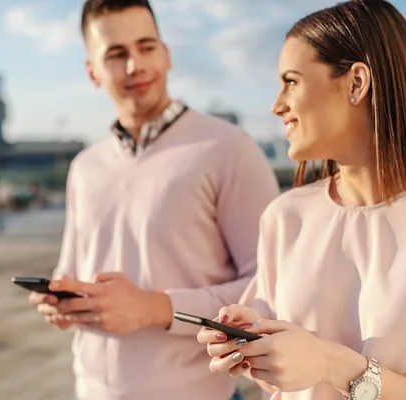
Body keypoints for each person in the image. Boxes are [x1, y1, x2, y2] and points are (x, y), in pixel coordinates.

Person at [197, 1, 406, 399]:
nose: (276, 105)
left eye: (291, 81)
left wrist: (329, 363)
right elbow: (281, 383)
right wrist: (251, 344)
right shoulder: (285, 218)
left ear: (356, 82)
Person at [27, 1, 280, 399]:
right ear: (92, 71)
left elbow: (272, 288)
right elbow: (73, 269)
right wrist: (62, 304)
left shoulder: (228, 148)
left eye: (146, 47)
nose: (134, 65)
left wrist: (156, 307)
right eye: (116, 54)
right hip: (91, 389)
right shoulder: (84, 167)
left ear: (166, 54)